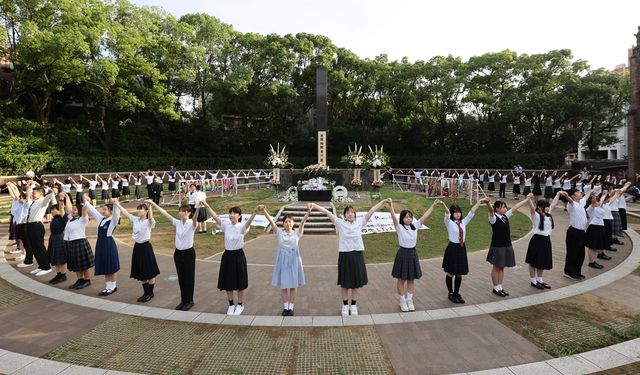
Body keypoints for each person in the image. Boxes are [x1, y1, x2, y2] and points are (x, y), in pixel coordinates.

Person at [310, 199, 390, 316]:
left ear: (355, 214)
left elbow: (372, 210)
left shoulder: (360, 222)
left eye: (352, 212)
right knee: (345, 283)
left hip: (357, 255)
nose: (350, 214)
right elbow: (327, 213)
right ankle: (344, 304)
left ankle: (353, 305)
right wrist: (314, 204)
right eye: (347, 212)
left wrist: (383, 202)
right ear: (344, 215)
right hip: (345, 255)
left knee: (356, 283)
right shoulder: (340, 223)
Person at [203, 201, 261, 316]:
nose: (232, 215)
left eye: (234, 213)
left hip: (238, 256)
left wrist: (255, 211)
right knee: (228, 282)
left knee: (240, 282)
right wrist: (206, 205)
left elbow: (249, 223)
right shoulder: (226, 225)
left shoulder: (242, 227)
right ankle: (231, 305)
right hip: (227, 256)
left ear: (239, 216)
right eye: (230, 213)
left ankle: (240, 305)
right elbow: (215, 216)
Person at [147, 200, 200, 311]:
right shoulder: (177, 222)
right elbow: (164, 213)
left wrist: (198, 208)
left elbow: (195, 219)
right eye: (180, 211)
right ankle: (183, 300)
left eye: (184, 211)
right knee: (181, 278)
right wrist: (153, 204)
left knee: (189, 278)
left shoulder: (192, 223)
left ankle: (189, 301)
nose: (181, 213)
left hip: (188, 253)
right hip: (178, 253)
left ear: (189, 213)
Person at [388, 198, 438, 311]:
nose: (408, 218)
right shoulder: (399, 227)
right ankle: (402, 300)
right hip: (403, 254)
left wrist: (433, 206)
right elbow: (393, 218)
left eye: (410, 216)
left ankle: (409, 299)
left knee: (411, 279)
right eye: (406, 217)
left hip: (412, 254)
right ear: (402, 218)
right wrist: (391, 206)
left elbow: (425, 216)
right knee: (401, 279)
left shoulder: (415, 226)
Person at [261, 205, 310, 316]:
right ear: (283, 224)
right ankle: (285, 307)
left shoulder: (297, 233)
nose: (288, 223)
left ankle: (291, 307)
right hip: (282, 262)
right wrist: (264, 210)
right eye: (286, 222)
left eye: (290, 221)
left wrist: (308, 212)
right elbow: (271, 221)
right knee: (283, 285)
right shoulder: (279, 233)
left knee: (293, 285)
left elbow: (303, 222)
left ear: (293, 223)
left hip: (294, 261)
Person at [438, 198, 488, 304]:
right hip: (452, 249)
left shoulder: (463, 222)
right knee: (451, 272)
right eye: (455, 212)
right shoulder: (448, 222)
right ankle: (450, 293)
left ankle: (456, 293)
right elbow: (447, 213)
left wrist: (480, 201)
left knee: (459, 273)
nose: (457, 214)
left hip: (461, 249)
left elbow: (472, 212)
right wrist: (443, 205)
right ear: (452, 213)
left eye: (459, 212)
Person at [113, 199, 161, 303]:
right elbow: (126, 213)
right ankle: (146, 293)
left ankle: (150, 293)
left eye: (141, 209)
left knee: (150, 272)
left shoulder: (149, 222)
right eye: (138, 209)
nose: (138, 211)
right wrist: (117, 204)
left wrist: (150, 206)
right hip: (138, 247)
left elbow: (151, 218)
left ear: (146, 211)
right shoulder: (135, 219)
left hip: (146, 247)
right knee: (141, 271)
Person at [486, 197, 531, 297]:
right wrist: (488, 203)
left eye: (505, 207)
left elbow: (515, 207)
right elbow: (491, 210)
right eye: (502, 207)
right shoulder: (493, 218)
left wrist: (527, 199)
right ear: (497, 209)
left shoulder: (505, 216)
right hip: (497, 246)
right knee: (496, 267)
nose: (505, 209)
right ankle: (495, 287)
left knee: (502, 267)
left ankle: (500, 286)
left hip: (507, 245)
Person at [83, 197, 121, 296]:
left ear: (110, 211)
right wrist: (86, 201)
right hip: (100, 244)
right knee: (105, 265)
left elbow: (116, 214)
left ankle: (113, 286)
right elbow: (92, 210)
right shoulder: (101, 219)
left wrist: (116, 203)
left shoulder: (113, 221)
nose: (102, 211)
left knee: (111, 266)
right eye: (102, 209)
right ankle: (107, 286)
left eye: (105, 209)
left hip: (108, 244)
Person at [525, 192, 561, 290]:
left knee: (542, 261)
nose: (548, 208)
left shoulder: (549, 215)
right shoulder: (536, 215)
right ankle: (533, 281)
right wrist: (529, 199)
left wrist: (558, 194)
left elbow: (553, 203)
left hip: (546, 240)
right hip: (537, 240)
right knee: (533, 261)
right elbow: (532, 208)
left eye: (548, 207)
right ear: (540, 207)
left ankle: (540, 280)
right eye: (546, 207)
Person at [559, 189, 593, 280]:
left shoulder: (581, 203)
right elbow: (569, 200)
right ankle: (568, 272)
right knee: (572, 253)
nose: (580, 193)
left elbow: (586, 197)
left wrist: (591, 192)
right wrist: (566, 196)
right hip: (573, 232)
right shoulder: (572, 204)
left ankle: (577, 272)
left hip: (582, 232)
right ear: (573, 196)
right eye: (578, 192)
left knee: (580, 254)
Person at [24, 182, 55, 276]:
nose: (33, 194)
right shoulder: (34, 201)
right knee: (34, 247)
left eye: (35, 193)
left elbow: (49, 196)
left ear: (41, 194)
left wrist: (52, 191)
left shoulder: (43, 201)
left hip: (37, 226)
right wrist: (29, 186)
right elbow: (28, 195)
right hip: (30, 226)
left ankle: (46, 267)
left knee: (39, 247)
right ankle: (41, 265)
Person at [65, 194, 95, 290]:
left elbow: (84, 209)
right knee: (76, 264)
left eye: (75, 209)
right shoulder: (71, 218)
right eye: (73, 210)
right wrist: (66, 197)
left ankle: (87, 280)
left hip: (81, 242)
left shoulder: (83, 219)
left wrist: (86, 201)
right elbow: (68, 208)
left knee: (84, 264)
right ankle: (80, 280)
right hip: (72, 243)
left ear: (79, 210)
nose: (72, 211)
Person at [47, 192, 71, 284]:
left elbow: (61, 208)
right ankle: (58, 274)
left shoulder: (63, 217)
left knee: (62, 258)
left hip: (60, 238)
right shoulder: (54, 218)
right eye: (51, 210)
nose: (52, 211)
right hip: (53, 238)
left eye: (54, 210)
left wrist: (62, 199)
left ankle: (63, 275)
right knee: (55, 258)